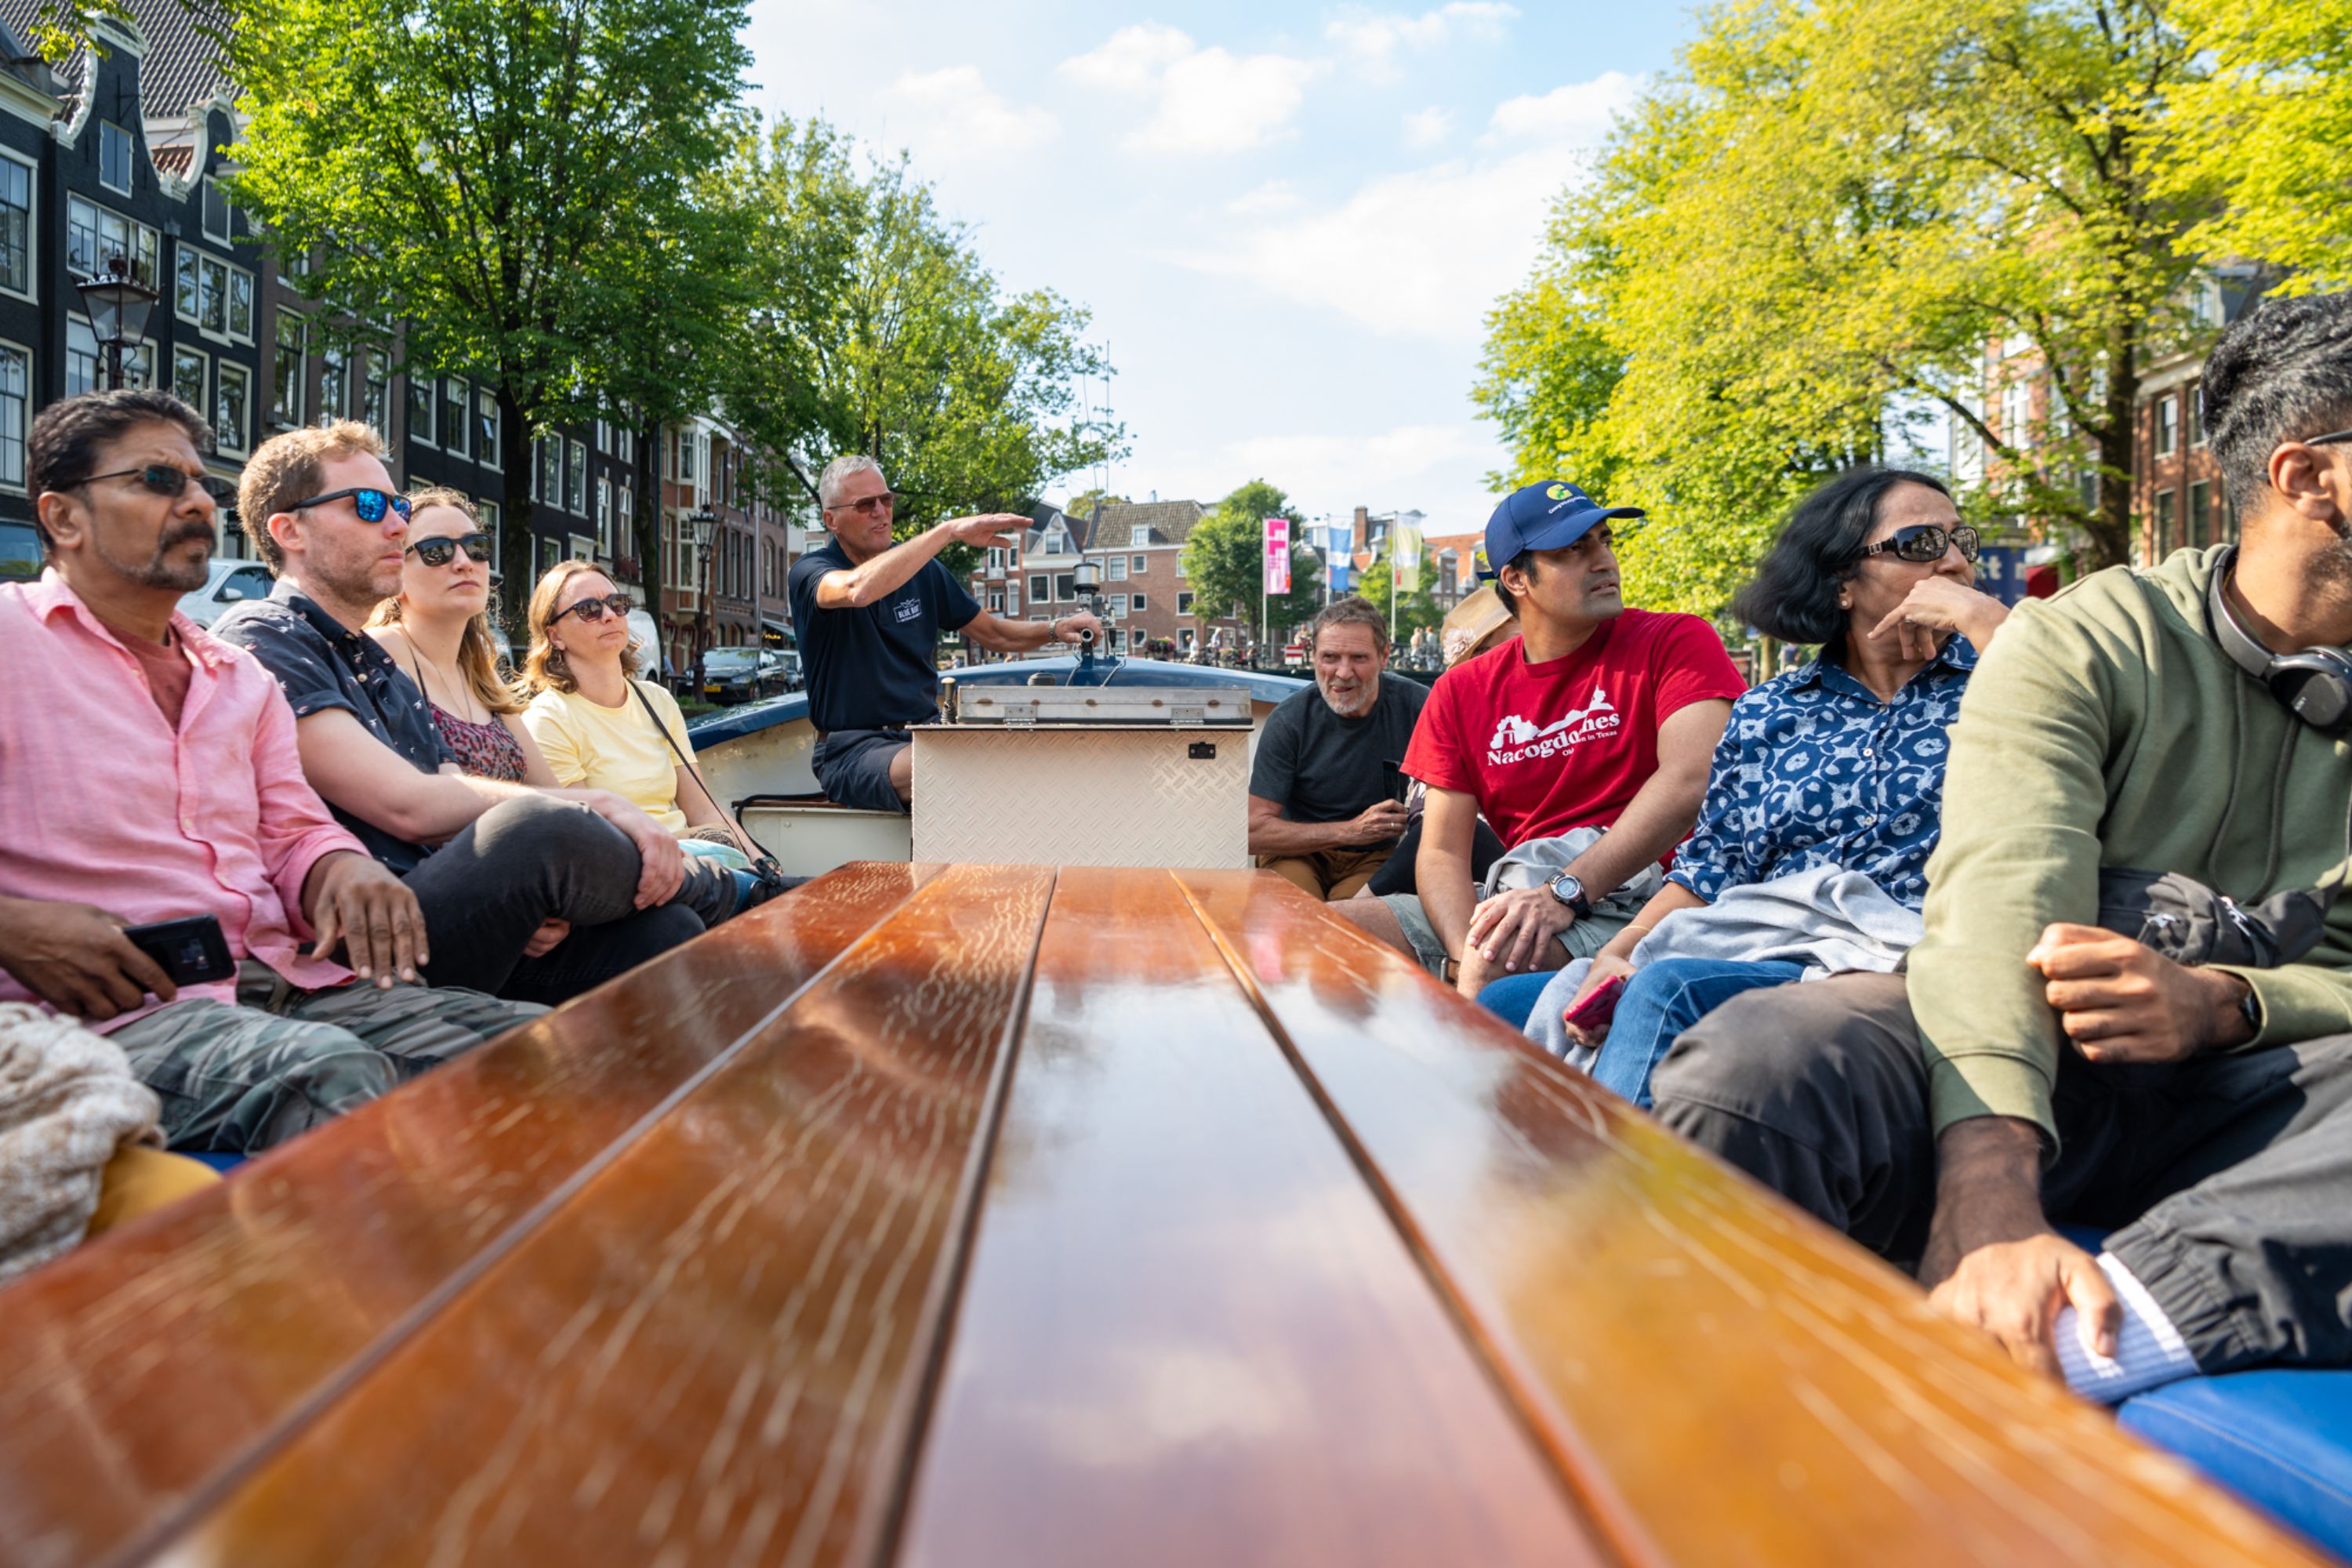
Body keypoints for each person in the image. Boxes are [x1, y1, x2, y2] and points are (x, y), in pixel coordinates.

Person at [1649, 293, 2352, 1400]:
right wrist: (1988, 1198)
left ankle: (2078, 1349)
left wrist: (2226, 1002)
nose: (1952, 563)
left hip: (2271, 1095)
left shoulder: (1995, 647)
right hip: (2035, 1048)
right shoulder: (2093, 637)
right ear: (2310, 476)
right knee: (1760, 1066)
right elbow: (1994, 906)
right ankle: (1694, 1449)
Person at [0, 389, 540, 1152]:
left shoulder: (238, 677)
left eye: (199, 484)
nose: (193, 500)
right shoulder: (9, 641)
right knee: (328, 1076)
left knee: (543, 1050)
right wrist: (11, 926)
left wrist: (341, 867)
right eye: (158, 480)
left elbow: (292, 829)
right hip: (111, 1009)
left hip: (284, 983)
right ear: (63, 518)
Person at [1486, 470, 2008, 1105]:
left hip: (1910, 954)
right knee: (1504, 1004)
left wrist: (1990, 625)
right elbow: (1710, 871)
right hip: (1766, 943)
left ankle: (1613, 1199)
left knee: (1668, 990)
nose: (1953, 563)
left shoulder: (2005, 681)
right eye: (1923, 544)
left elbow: (2085, 733)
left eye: (1962, 542)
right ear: (1842, 580)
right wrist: (1620, 950)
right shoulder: (1771, 710)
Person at [212, 422, 702, 1006]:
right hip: (371, 930)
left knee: (669, 935)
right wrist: (597, 801)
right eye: (369, 506)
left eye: (397, 505)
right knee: (538, 827)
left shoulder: (370, 660)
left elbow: (443, 783)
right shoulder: (265, 638)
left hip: (444, 901)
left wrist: (526, 899)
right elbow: (406, 807)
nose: (397, 524)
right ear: (289, 530)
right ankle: (737, 888)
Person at [1337, 481, 1747, 996]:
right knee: (1312, 934)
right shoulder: (1460, 690)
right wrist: (1465, 951)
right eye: (1574, 550)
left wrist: (1564, 894)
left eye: (1604, 540)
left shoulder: (1676, 641)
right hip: (1524, 896)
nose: (1603, 561)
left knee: (1493, 967)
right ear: (1515, 579)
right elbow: (1441, 851)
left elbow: (1692, 783)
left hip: (1650, 903)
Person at [787, 456, 1102, 812]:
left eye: (886, 500)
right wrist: (948, 531)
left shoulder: (924, 572)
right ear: (831, 520)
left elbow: (995, 634)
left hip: (924, 734)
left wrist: (1055, 629)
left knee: (1021, 750)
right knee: (951, 767)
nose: (880, 511)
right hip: (852, 750)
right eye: (864, 504)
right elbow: (856, 590)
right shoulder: (810, 572)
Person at [519, 561, 783, 921]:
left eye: (616, 604)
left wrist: (759, 859)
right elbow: (588, 837)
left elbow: (703, 808)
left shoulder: (656, 701)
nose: (609, 616)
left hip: (697, 862)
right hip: (635, 873)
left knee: (781, 893)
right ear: (554, 635)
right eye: (589, 610)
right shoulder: (550, 718)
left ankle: (760, 889)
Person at [1249, 596, 1427, 901]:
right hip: (1298, 854)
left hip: (1378, 856)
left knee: (1352, 924)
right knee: (1298, 918)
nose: (1344, 673)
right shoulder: (1289, 720)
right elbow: (1254, 833)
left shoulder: (1419, 706)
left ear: (1384, 657)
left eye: (1359, 658)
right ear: (1314, 657)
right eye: (1330, 657)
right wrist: (1351, 831)